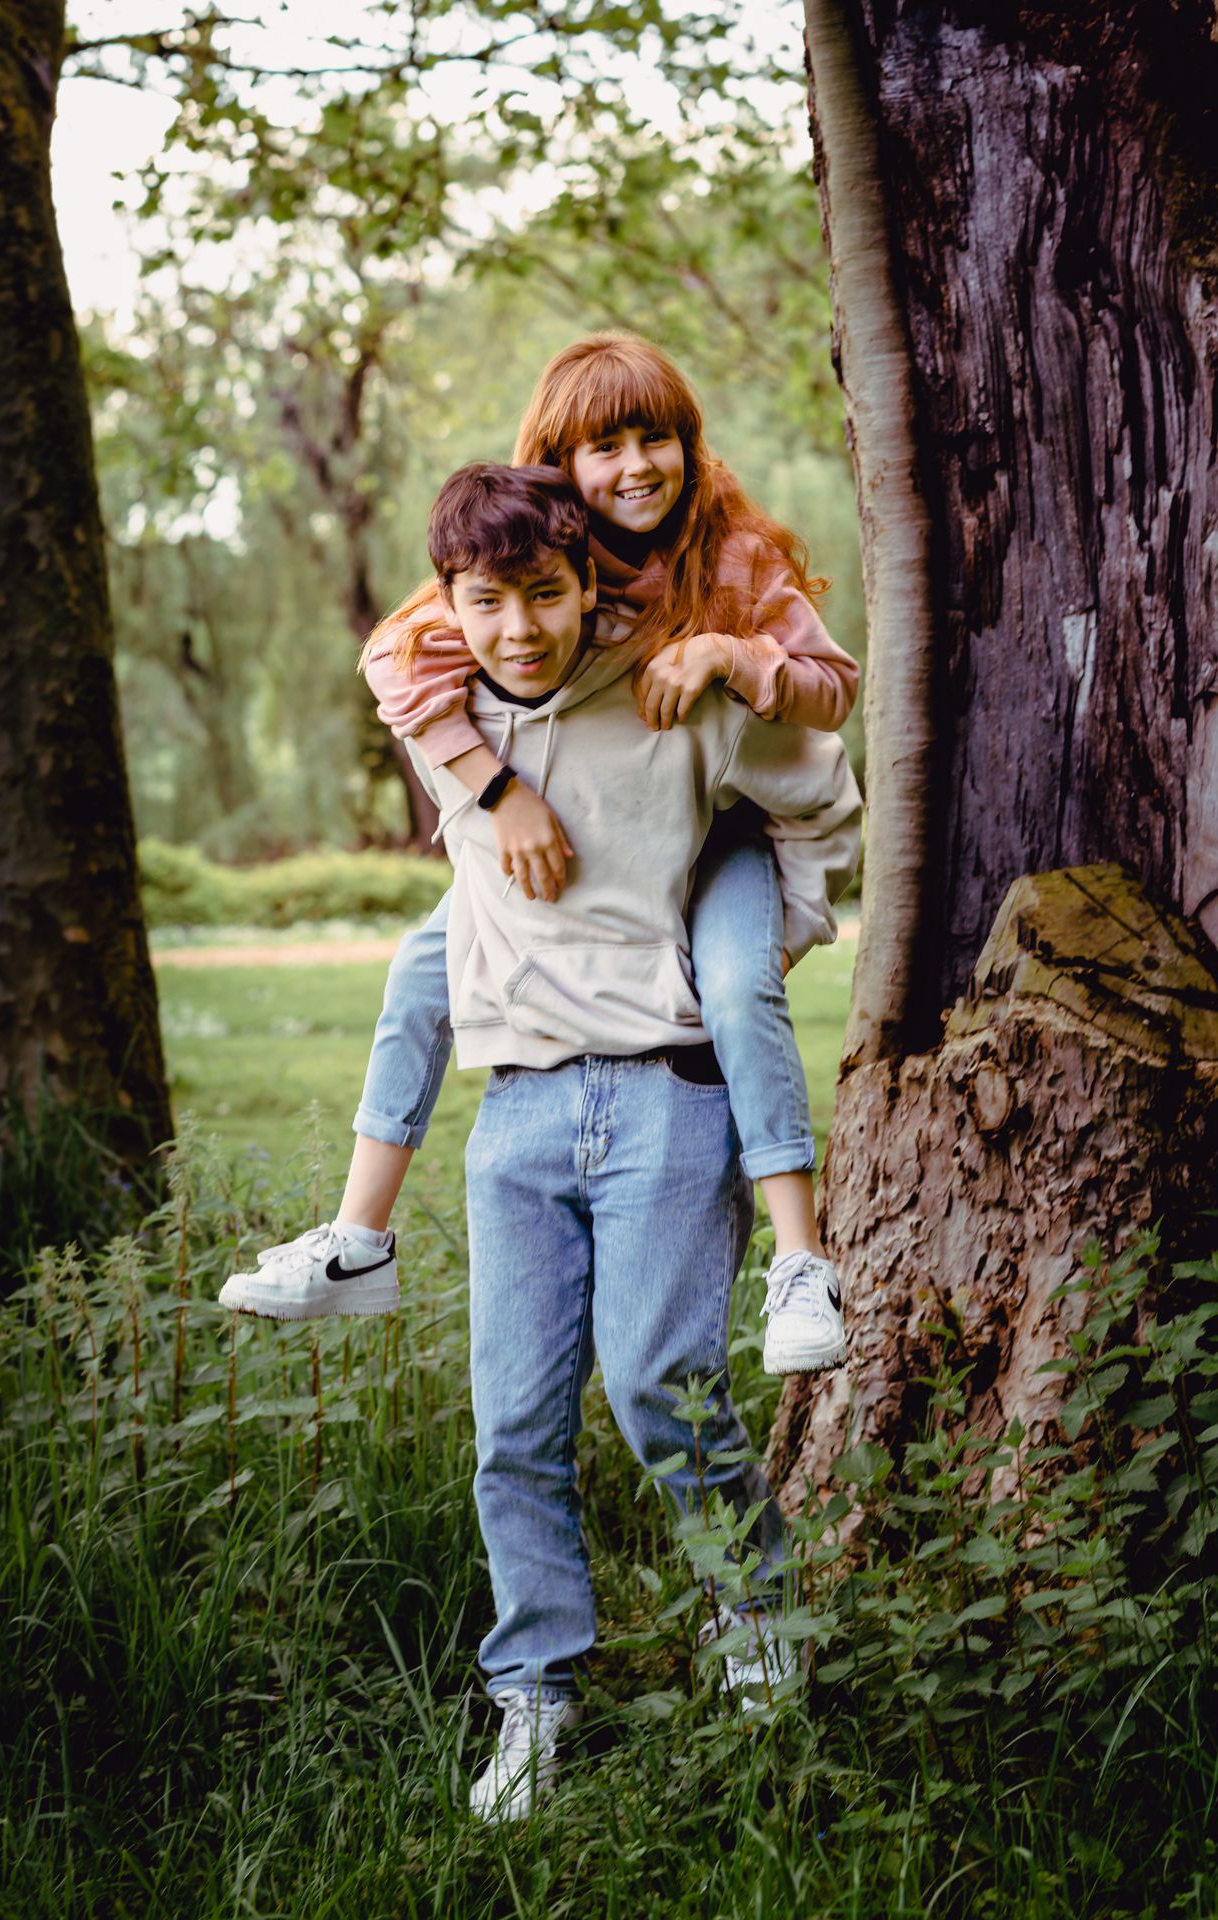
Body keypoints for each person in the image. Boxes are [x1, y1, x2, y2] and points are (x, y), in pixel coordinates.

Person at [221, 333, 858, 1376]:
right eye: (604, 447)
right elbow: (394, 656)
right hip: (608, 823)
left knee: (740, 987)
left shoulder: (730, 551)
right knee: (419, 973)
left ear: (689, 445)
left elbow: (832, 691)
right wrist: (497, 789)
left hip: (719, 827)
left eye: (656, 439)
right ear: (557, 467)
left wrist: (728, 652)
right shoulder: (532, 554)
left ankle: (798, 1264)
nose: (636, 468)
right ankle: (358, 1237)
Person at [392, 464, 859, 1818]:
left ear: (591, 584)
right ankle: (533, 1696)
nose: (518, 630)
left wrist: (761, 947)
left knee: (663, 1385)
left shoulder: (672, 694)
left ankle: (758, 1625)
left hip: (667, 1094)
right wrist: (492, 788)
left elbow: (821, 792)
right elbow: (397, 667)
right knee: (512, 1427)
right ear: (454, 605)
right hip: (518, 1114)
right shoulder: (453, 722)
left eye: (544, 597)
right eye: (487, 604)